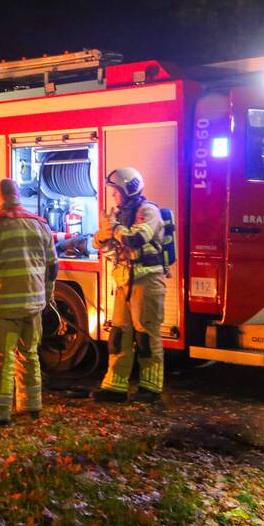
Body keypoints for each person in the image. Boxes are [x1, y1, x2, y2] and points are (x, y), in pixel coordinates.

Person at [0, 178, 58, 424]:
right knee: (29, 354)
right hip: (33, 306)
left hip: (4, 307)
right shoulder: (40, 224)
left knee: (1, 357)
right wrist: (47, 296)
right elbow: (52, 267)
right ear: (18, 195)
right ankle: (31, 406)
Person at [92, 167, 167, 403]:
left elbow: (135, 239)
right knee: (119, 335)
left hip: (147, 282)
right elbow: (98, 243)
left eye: (116, 191)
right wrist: (104, 233)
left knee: (146, 336)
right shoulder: (119, 216)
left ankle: (150, 387)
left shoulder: (148, 211)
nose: (113, 196)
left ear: (129, 190)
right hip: (124, 282)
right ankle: (115, 387)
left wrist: (114, 228)